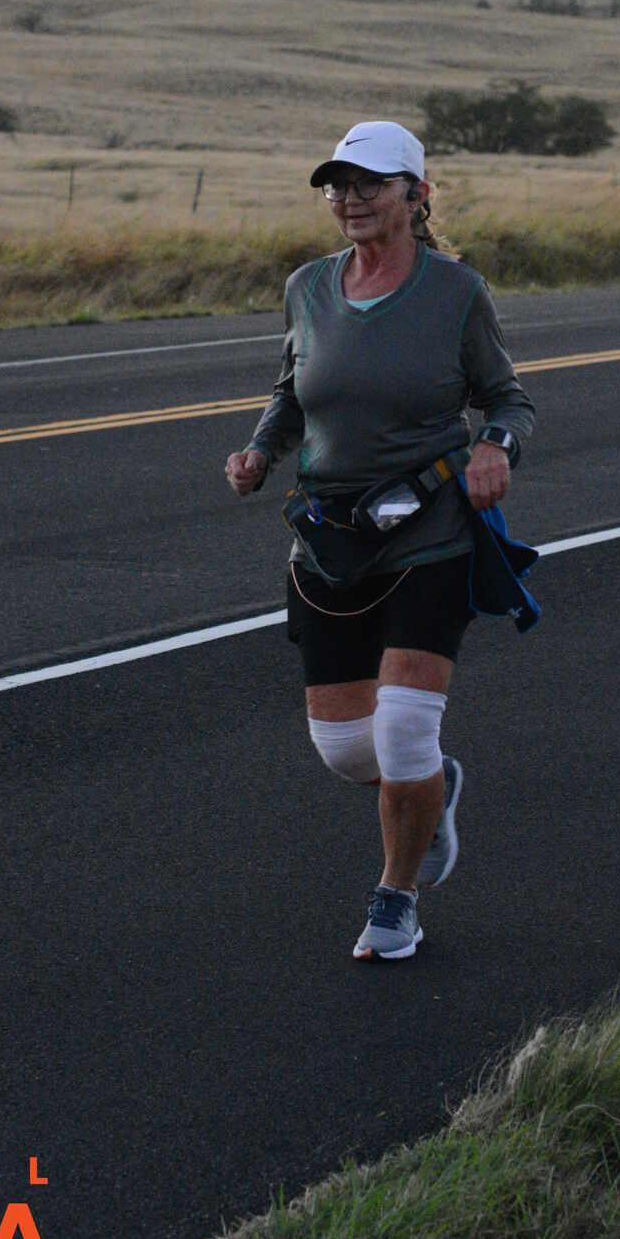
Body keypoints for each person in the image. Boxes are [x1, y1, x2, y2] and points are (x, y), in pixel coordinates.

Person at [225, 119, 535, 961]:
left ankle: (396, 899)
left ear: (415, 194)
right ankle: (430, 785)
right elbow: (290, 392)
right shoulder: (307, 287)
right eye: (337, 185)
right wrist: (259, 451)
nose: (350, 198)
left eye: (369, 183)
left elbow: (508, 399)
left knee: (401, 730)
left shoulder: (454, 291)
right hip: (329, 537)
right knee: (344, 750)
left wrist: (493, 448)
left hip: (429, 528)